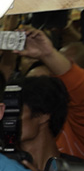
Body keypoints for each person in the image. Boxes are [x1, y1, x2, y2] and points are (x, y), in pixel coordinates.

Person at [15, 27, 84, 160]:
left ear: (42, 114)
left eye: (18, 112)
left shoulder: (75, 127)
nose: (8, 118)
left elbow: (79, 89)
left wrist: (48, 55)